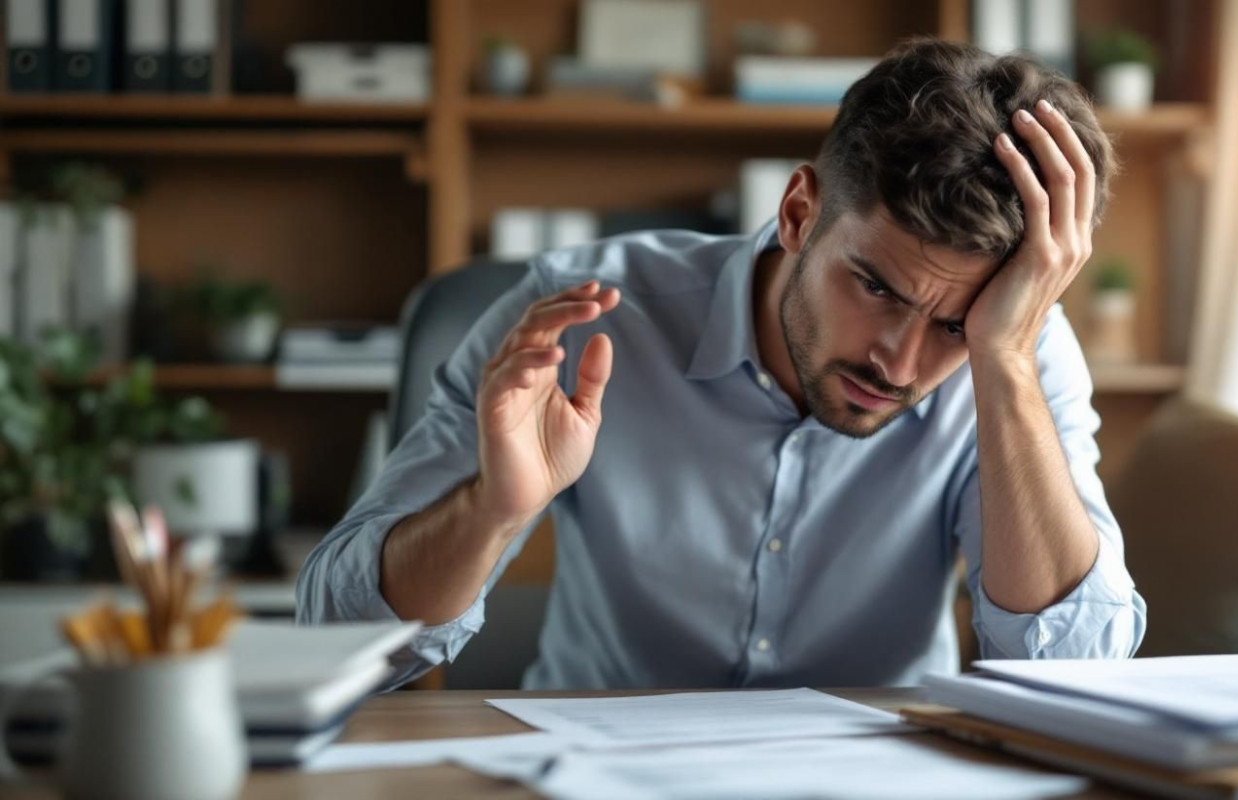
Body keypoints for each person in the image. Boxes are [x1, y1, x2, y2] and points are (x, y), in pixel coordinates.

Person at [298, 37, 1147, 689]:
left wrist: (1003, 361)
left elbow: (1076, 669)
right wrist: (487, 510)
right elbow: (335, 636)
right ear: (799, 210)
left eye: (955, 325)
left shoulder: (1018, 355)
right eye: (878, 288)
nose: (899, 359)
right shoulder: (577, 316)